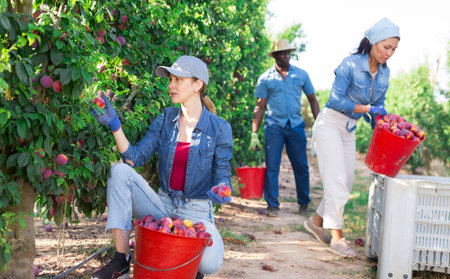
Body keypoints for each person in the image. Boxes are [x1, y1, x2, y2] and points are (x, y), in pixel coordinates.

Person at [90, 55, 233, 279]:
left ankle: (188, 265)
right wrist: (115, 125)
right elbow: (134, 158)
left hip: (196, 213)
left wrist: (222, 188)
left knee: (209, 263)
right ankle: (121, 259)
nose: (171, 85)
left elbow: (222, 172)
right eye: (170, 80)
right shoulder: (166, 118)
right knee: (118, 171)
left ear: (198, 85)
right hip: (162, 206)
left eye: (178, 79)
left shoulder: (220, 128)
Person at [304, 18, 400, 258]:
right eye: (386, 47)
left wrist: (384, 122)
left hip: (348, 127)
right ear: (372, 42)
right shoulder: (349, 65)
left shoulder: (385, 74)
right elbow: (335, 100)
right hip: (329, 124)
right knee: (336, 182)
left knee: (344, 183)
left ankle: (315, 223)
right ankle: (337, 238)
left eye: (394, 49)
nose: (389, 53)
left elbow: (378, 105)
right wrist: (368, 110)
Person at [249, 39, 320, 217]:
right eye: (282, 53)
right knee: (272, 166)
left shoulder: (301, 75)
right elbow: (260, 107)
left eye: (288, 52)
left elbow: (312, 99)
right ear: (275, 56)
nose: (286, 55)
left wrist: (318, 124)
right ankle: (272, 205)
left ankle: (304, 204)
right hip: (274, 126)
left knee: (301, 166)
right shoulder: (265, 78)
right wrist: (254, 133)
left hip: (296, 125)